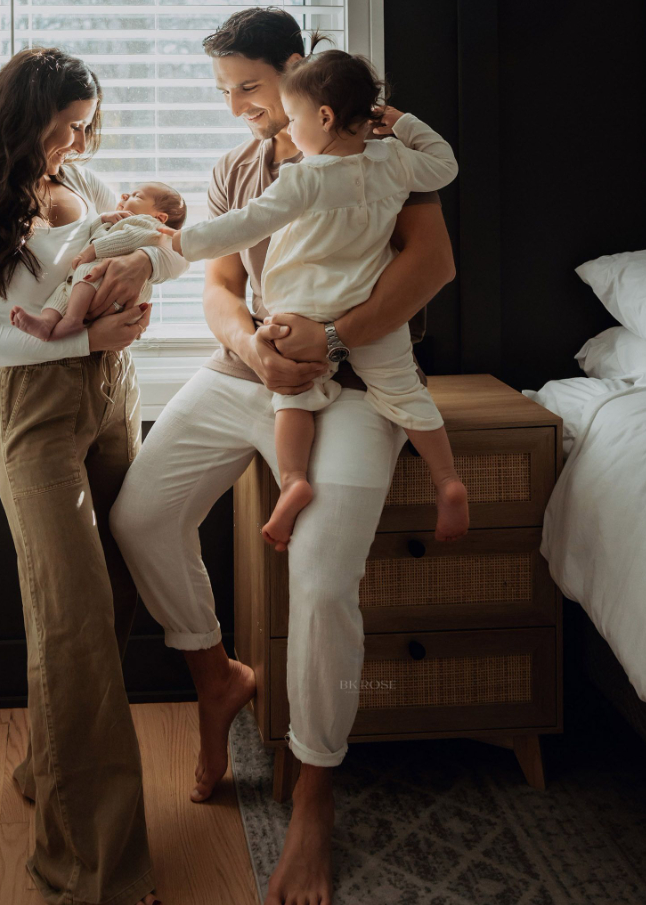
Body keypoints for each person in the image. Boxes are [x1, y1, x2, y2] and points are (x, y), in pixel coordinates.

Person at [109, 8, 456, 905]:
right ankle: (216, 673)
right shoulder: (236, 169)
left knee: (320, 582)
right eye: (223, 93)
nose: (235, 110)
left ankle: (311, 791)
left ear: (298, 74)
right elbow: (223, 284)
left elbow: (431, 265)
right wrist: (259, 356)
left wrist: (333, 339)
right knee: (141, 517)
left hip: (349, 384)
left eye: (249, 89)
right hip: (247, 374)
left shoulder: (375, 139)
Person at [0, 47, 185, 905]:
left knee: (112, 599)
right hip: (35, 408)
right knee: (72, 620)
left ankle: (48, 770)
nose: (78, 140)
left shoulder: (83, 175)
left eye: (87, 125)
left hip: (113, 394)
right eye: (66, 124)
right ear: (19, 113)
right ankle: (91, 868)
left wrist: (135, 297)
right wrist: (81, 342)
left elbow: (131, 250)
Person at [169, 47, 467, 550]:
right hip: (372, 313)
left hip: (303, 311)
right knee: (406, 396)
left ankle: (293, 481)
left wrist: (178, 243)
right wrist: (405, 123)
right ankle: (448, 480)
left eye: (296, 118)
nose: (291, 129)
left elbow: (242, 226)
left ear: (324, 117)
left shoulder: (304, 178)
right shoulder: (395, 160)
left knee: (293, 397)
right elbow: (446, 165)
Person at [10, 181, 187, 341]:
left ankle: (73, 320)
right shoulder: (120, 219)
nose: (125, 196)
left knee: (86, 273)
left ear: (160, 218)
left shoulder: (146, 223)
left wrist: (93, 250)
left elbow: (128, 238)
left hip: (106, 279)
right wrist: (102, 219)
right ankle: (46, 322)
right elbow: (96, 232)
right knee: (62, 293)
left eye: (137, 196)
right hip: (88, 283)